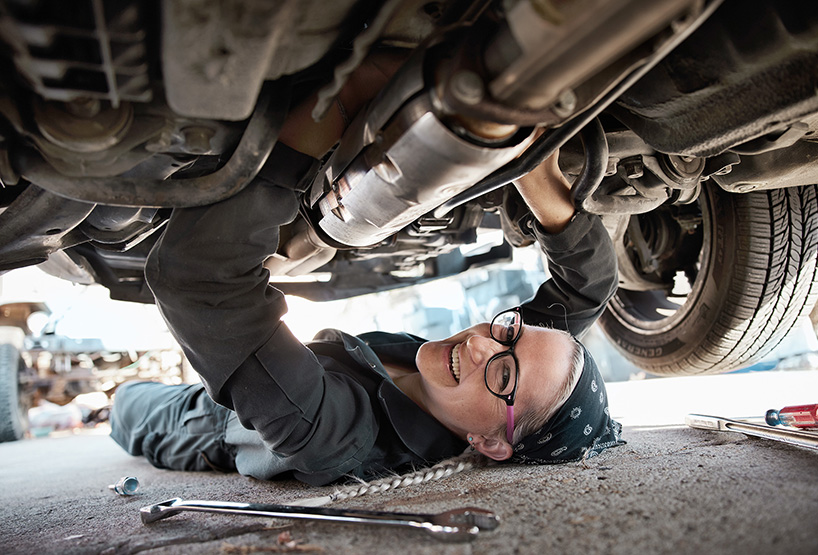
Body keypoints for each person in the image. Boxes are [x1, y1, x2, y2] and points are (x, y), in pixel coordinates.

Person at [109, 58, 624, 488]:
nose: (481, 344)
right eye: (510, 334)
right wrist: (535, 172)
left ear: (489, 443)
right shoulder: (481, 378)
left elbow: (198, 281)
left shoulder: (336, 436)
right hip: (263, 365)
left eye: (503, 373)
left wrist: (312, 128)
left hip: (207, 421)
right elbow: (589, 288)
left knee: (128, 407)